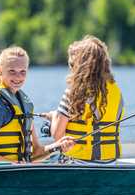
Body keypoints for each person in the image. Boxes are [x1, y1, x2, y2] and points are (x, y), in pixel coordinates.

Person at [0, 46, 74, 163]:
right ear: (1, 70)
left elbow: (36, 153)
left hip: (19, 173)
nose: (18, 77)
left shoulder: (25, 105)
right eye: (12, 71)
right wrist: (14, 165)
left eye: (22, 72)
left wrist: (57, 146)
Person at [47, 35, 124, 163]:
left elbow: (57, 136)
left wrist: (54, 116)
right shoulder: (116, 91)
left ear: (80, 65)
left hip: (78, 161)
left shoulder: (73, 93)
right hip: (110, 161)